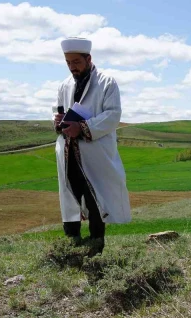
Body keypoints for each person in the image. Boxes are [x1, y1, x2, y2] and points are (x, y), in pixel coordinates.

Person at [53, 37, 131, 255]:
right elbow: (59, 112)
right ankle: (71, 244)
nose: (72, 67)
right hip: (68, 152)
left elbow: (113, 115)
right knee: (70, 194)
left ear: (89, 59)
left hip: (94, 152)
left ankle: (96, 245)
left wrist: (83, 127)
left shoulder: (107, 82)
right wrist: (59, 122)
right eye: (68, 63)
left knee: (96, 195)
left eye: (76, 62)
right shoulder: (64, 85)